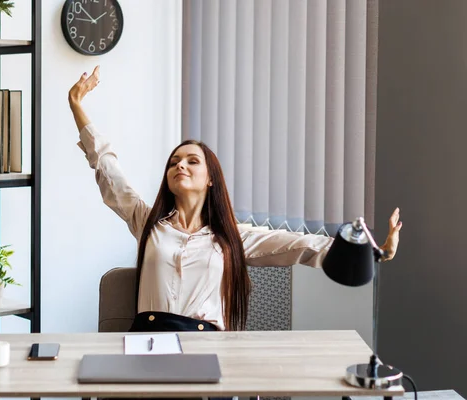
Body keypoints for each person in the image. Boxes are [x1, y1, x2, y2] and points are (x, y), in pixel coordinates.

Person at [69, 65, 402, 333]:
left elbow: (302, 245)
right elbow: (109, 170)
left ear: (211, 179)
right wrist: (78, 107)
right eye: (173, 162)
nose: (179, 165)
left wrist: (375, 252)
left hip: (206, 348)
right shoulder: (148, 223)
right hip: (148, 345)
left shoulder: (232, 238)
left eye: (191, 161)